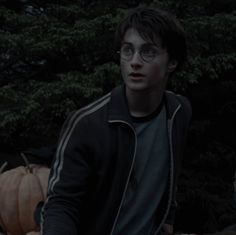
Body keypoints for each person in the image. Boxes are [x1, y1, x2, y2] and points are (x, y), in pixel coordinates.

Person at [41, 7, 192, 235]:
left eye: (148, 52)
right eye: (127, 50)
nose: (134, 62)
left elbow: (171, 173)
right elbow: (60, 204)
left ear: (172, 62)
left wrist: (168, 216)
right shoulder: (86, 124)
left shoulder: (179, 111)